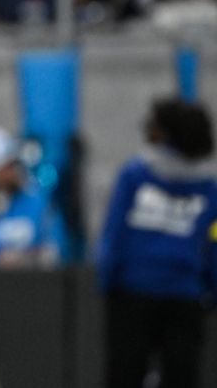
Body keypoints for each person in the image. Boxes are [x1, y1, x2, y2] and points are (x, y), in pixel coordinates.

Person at [97, 97, 217, 388]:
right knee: (182, 376)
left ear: (165, 132)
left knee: (124, 374)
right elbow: (213, 243)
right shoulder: (210, 185)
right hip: (186, 296)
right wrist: (210, 290)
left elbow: (114, 232)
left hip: (132, 292)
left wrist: (107, 280)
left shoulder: (135, 173)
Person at [0, 126, 66, 268]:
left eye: (15, 163)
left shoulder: (38, 201)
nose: (15, 170)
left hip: (33, 283)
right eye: (7, 165)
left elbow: (56, 248)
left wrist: (27, 257)